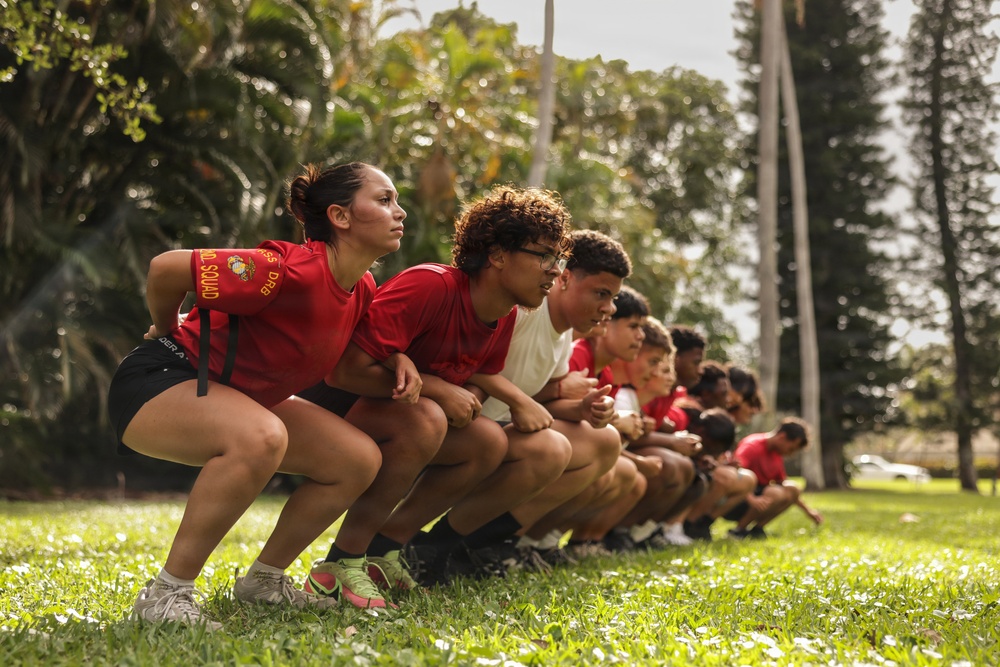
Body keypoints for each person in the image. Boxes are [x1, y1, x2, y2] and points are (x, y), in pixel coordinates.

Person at [106, 162, 416, 629]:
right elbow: (166, 267)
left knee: (356, 459)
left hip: (238, 399)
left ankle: (264, 582)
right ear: (341, 216)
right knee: (263, 435)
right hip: (161, 378)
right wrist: (168, 328)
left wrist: (397, 360)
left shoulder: (362, 287)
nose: (400, 211)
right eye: (385, 199)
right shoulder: (284, 269)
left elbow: (359, 345)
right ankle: (166, 595)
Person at [300, 184, 573, 599]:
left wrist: (487, 396)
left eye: (559, 258)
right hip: (329, 409)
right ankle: (341, 562)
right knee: (427, 418)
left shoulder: (501, 316)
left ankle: (385, 551)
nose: (555, 271)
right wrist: (438, 388)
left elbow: (475, 372)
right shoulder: (431, 285)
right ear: (498, 255)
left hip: (389, 415)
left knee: (487, 441)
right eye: (544, 256)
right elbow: (341, 373)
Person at [471, 230, 631, 569]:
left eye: (614, 297)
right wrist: (520, 401)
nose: (609, 308)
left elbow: (541, 401)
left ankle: (498, 540)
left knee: (604, 441)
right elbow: (465, 363)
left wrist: (582, 408)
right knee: (551, 448)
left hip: (498, 431)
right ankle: (450, 541)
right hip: (467, 427)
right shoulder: (527, 310)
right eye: (601, 293)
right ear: (566, 278)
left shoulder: (563, 333)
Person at [724, 417, 824, 539]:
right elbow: (735, 474)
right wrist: (752, 499)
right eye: (791, 448)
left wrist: (808, 511)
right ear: (782, 437)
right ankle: (738, 530)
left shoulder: (776, 454)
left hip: (757, 499)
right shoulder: (752, 446)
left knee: (792, 488)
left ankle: (758, 529)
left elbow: (786, 486)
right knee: (775, 493)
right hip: (735, 500)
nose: (790, 453)